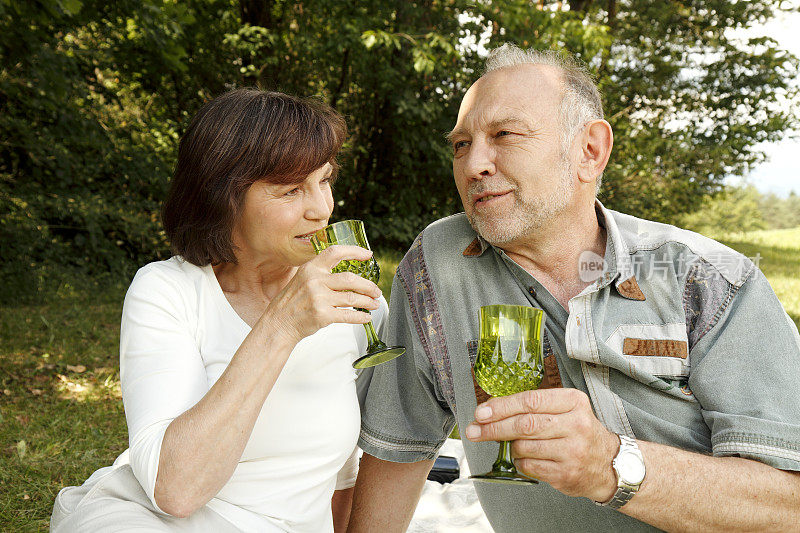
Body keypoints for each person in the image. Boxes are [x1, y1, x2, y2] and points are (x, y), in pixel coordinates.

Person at [347, 44, 800, 532]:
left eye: (505, 135)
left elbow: (789, 504)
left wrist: (611, 466)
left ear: (590, 150)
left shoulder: (708, 280)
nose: (474, 163)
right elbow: (397, 451)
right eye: (461, 144)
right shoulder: (439, 265)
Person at [50, 89, 386, 532]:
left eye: (324, 180)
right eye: (290, 191)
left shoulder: (357, 302)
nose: (322, 209)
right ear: (222, 198)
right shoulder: (167, 291)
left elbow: (348, 470)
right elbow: (175, 491)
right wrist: (282, 326)